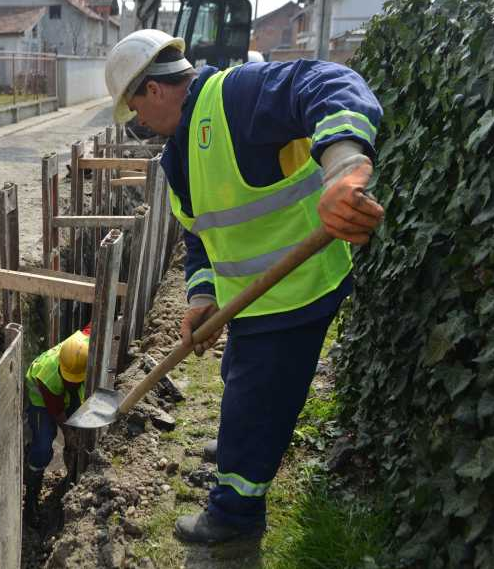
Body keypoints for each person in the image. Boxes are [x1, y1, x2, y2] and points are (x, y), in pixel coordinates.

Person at [104, 30, 385, 544]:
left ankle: (235, 515)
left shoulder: (238, 96)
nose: (139, 124)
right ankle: (244, 443)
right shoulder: (178, 157)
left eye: (136, 110)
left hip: (297, 290)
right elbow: (200, 239)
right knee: (241, 381)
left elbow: (333, 82)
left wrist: (344, 166)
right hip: (248, 304)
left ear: (155, 90)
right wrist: (201, 299)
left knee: (254, 402)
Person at [24, 326, 90, 524]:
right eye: (69, 380)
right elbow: (56, 410)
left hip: (66, 394)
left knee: (81, 429)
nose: (72, 383)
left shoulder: (84, 346)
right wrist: (68, 433)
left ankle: (74, 475)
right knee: (43, 446)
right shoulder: (48, 376)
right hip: (43, 401)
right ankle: (31, 498)